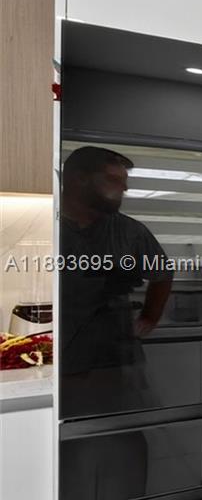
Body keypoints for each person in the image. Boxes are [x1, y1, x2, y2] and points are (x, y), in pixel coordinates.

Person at [58, 145, 173, 418]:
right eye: (113, 181)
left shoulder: (128, 231)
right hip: (60, 362)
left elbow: (162, 273)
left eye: (124, 183)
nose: (124, 190)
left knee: (125, 435)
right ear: (78, 179)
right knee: (67, 441)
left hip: (117, 361)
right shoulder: (47, 225)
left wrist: (149, 316)